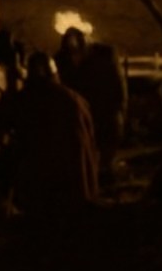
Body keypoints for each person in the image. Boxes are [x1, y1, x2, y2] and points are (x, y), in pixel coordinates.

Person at [4, 51, 99, 228]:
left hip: (51, 179)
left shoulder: (31, 99)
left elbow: (15, 123)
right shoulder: (76, 99)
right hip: (79, 179)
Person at [54, 27, 128, 184]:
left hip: (103, 106)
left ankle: (105, 173)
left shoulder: (104, 55)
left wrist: (120, 106)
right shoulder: (62, 59)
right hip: (78, 109)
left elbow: (117, 83)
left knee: (106, 142)